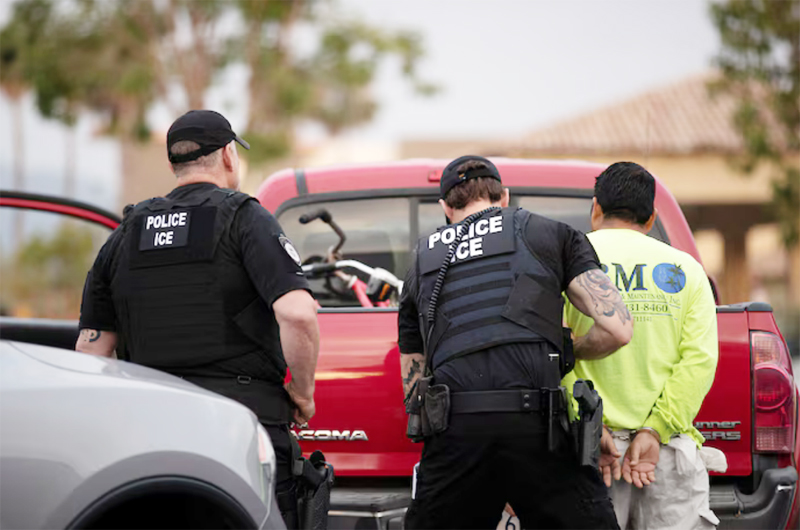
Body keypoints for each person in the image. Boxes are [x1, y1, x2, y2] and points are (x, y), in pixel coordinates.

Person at [76, 110, 320, 528]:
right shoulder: (245, 217)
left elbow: (91, 351)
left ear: (174, 164)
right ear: (228, 155)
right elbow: (297, 314)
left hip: (149, 431)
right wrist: (303, 394)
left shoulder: (126, 232)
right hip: (240, 425)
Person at [398, 155, 633, 529]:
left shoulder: (420, 262)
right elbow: (619, 329)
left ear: (445, 207)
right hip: (537, 425)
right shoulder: (549, 233)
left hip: (457, 433)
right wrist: (568, 351)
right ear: (503, 196)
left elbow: (413, 388)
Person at [563, 162, 721, 529]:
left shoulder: (565, 263)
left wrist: (589, 422)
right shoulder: (687, 270)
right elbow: (699, 360)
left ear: (595, 209)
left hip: (587, 451)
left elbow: (548, 353)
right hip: (664, 456)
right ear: (650, 219)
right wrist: (656, 428)